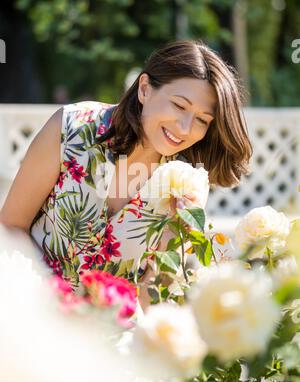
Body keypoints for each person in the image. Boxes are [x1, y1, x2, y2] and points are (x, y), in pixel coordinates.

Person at [0, 39, 252, 312]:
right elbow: (11, 226)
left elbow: (151, 294)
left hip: (112, 336)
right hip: (31, 311)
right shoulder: (71, 129)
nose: (184, 128)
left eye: (202, 119)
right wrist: (52, 299)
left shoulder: (183, 184)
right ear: (145, 89)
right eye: (179, 106)